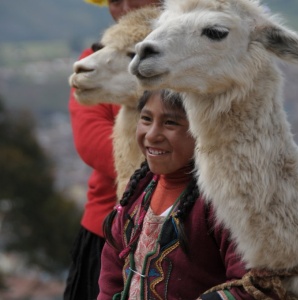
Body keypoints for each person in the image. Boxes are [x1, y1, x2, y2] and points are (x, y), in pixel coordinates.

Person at [98, 90, 279, 300]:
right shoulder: (137, 192)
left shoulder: (227, 203)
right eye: (146, 119)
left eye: (170, 123)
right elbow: (110, 279)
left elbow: (254, 287)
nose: (151, 135)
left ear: (204, 130)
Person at [64, 0, 162, 300]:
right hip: (108, 230)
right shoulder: (97, 62)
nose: (127, 6)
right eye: (115, 0)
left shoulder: (195, 62)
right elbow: (92, 142)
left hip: (194, 228)